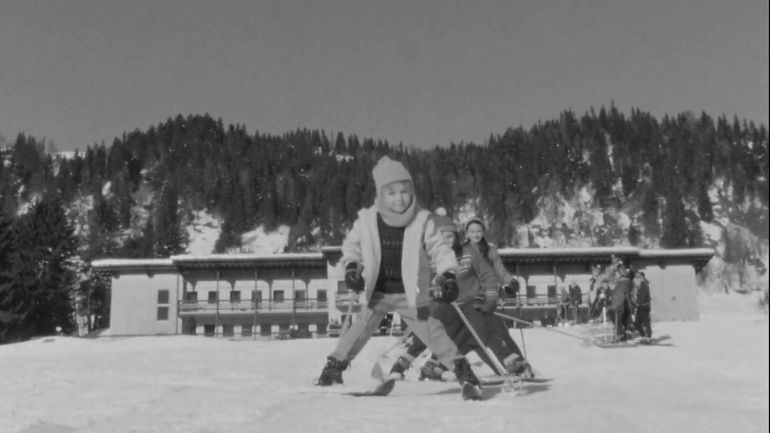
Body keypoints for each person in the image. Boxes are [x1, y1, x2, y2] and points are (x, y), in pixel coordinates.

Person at [314, 156, 482, 399]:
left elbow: (440, 250)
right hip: (378, 291)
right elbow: (351, 246)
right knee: (358, 330)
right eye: (391, 192)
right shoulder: (368, 221)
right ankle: (332, 370)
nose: (399, 198)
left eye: (404, 191)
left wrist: (448, 275)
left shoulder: (421, 220)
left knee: (433, 331)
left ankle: (463, 372)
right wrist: (352, 267)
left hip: (410, 293)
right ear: (381, 194)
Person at [388, 215, 534, 382]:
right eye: (441, 237)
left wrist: (500, 291)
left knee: (488, 332)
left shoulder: (474, 252)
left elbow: (492, 274)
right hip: (450, 304)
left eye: (449, 236)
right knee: (434, 330)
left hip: (473, 302)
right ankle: (405, 366)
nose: (475, 234)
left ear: (457, 236)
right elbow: (423, 282)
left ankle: (515, 364)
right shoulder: (433, 257)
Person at [608, 266, 634, 342]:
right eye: (615, 274)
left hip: (623, 304)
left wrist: (629, 304)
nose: (615, 275)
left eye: (616, 274)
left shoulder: (624, 282)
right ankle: (623, 334)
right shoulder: (619, 282)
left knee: (622, 320)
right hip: (621, 304)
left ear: (620, 273)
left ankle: (622, 335)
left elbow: (626, 294)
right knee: (621, 320)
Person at [632, 271, 652, 338]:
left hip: (644, 306)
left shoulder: (644, 285)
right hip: (641, 307)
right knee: (637, 323)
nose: (635, 279)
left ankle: (648, 336)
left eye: (637, 277)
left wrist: (636, 303)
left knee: (646, 322)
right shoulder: (639, 285)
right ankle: (643, 335)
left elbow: (642, 296)